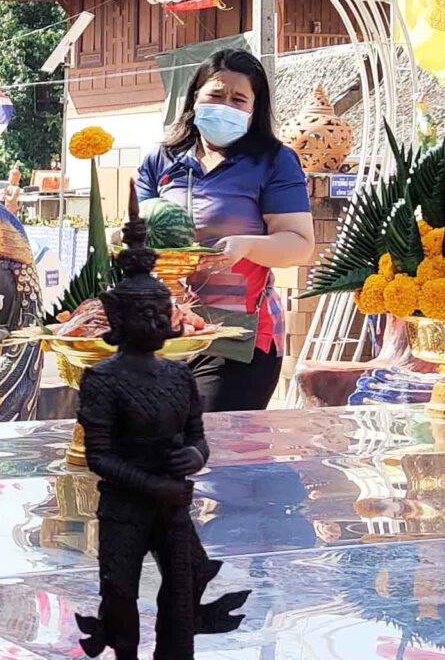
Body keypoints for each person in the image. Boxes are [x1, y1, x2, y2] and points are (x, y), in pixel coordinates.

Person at [134, 46, 316, 411]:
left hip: (239, 336)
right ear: (195, 99)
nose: (226, 106)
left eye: (238, 99)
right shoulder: (162, 160)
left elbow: (300, 244)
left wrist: (247, 246)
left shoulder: (274, 161)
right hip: (167, 330)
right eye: (216, 95)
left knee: (213, 438)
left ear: (253, 110)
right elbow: (138, 233)